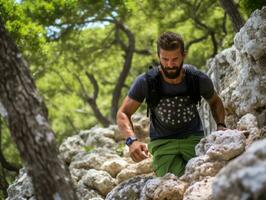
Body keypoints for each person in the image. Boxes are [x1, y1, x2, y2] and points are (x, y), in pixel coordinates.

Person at [116, 32, 226, 177]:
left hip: (194, 139)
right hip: (162, 143)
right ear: (158, 57)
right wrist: (131, 141)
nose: (170, 64)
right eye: (165, 59)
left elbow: (215, 101)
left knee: (206, 174)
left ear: (184, 55)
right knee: (172, 183)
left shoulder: (197, 78)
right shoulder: (146, 81)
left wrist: (221, 126)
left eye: (175, 59)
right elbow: (123, 113)